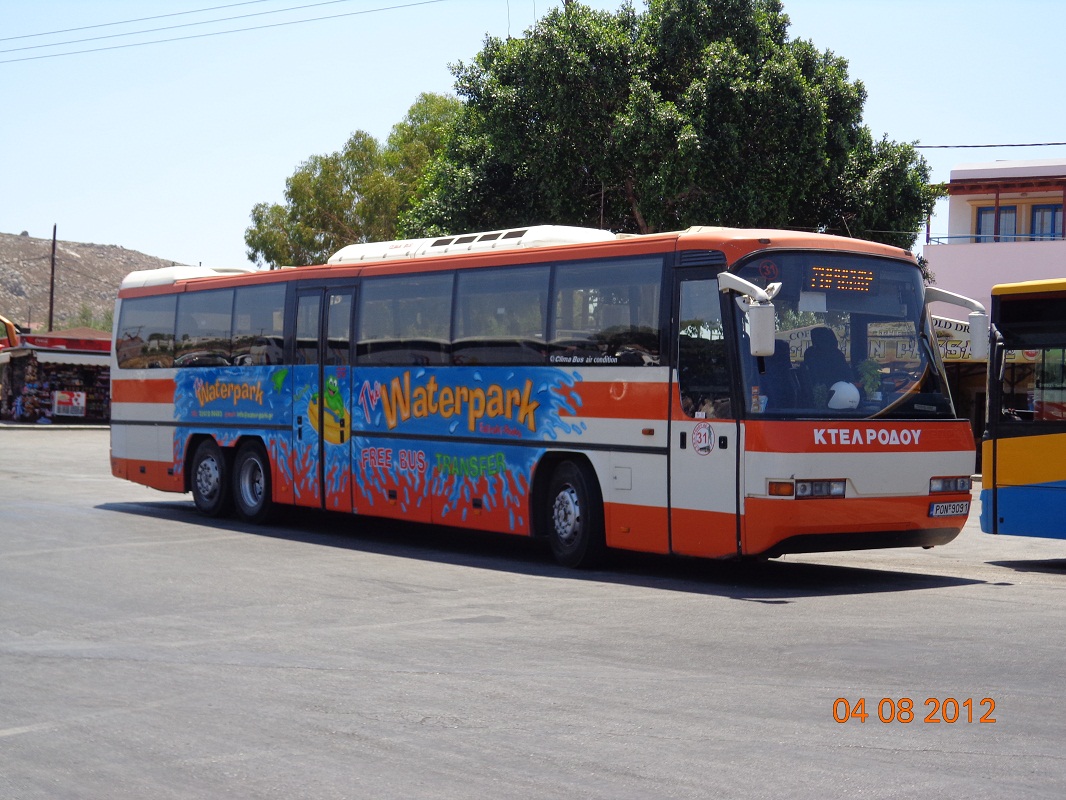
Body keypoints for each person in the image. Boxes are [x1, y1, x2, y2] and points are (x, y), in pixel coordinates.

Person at [802, 327, 854, 405]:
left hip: (817, 396)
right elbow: (848, 377)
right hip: (837, 396)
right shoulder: (836, 354)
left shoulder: (809, 353)